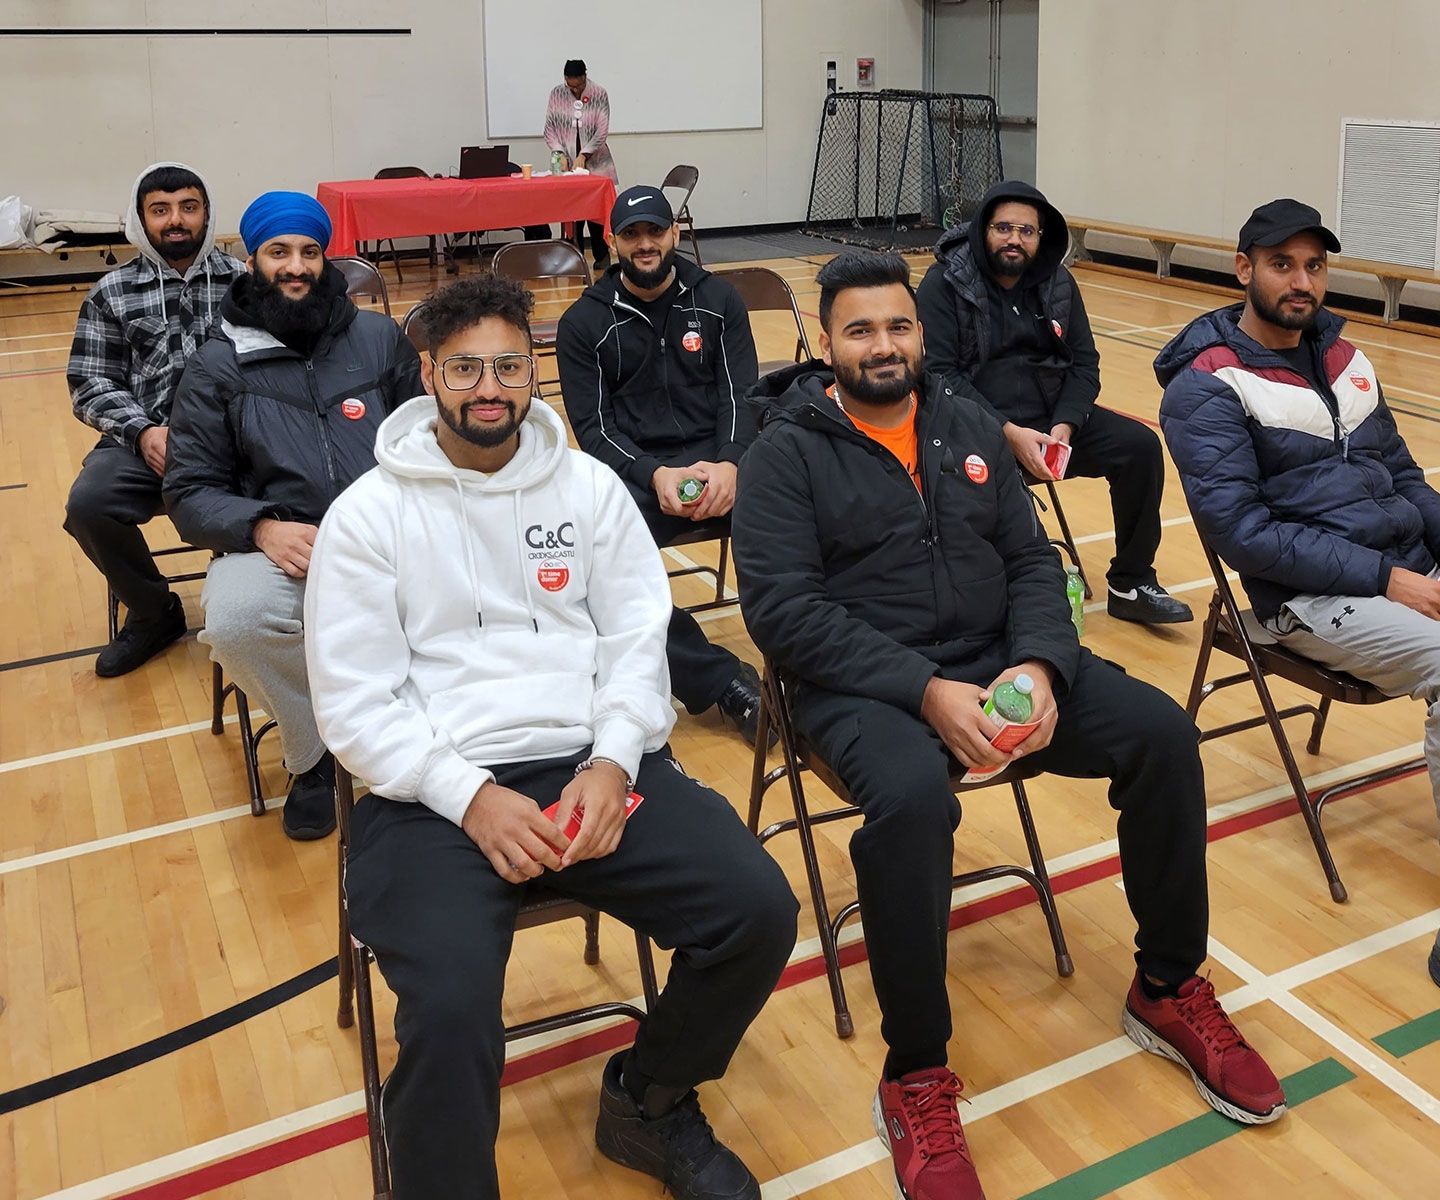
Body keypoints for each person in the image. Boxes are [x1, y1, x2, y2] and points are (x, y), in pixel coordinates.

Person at [734, 251, 1284, 1200]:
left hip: (1000, 660)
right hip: (861, 686)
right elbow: (784, 615)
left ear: (920, 332)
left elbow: (1034, 560)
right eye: (859, 329)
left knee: (1160, 734)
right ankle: (914, 1074)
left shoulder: (962, 417)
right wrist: (923, 691)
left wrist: (1037, 663)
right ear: (826, 344)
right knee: (912, 802)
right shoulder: (784, 452)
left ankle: (1165, 986)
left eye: (898, 326)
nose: (883, 345)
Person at [303, 275, 797, 1200]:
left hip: (592, 767)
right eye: (463, 369)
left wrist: (614, 760)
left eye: (508, 365)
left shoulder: (589, 487)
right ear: (427, 375)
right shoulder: (368, 515)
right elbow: (357, 705)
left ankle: (647, 1102)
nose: (488, 387)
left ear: (533, 371)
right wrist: (470, 797)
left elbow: (639, 643)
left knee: (758, 910)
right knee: (449, 1009)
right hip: (433, 797)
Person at [1156, 198, 1440, 994]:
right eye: (1282, 264)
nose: (1301, 280)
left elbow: (1408, 479)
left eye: (1314, 265)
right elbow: (1243, 535)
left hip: (1402, 568)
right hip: (1309, 599)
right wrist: (1390, 579)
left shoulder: (1347, 359)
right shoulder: (1206, 385)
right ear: (1244, 269)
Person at [164, 191, 424, 840]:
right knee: (238, 622)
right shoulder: (216, 364)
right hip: (280, 546)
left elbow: (423, 443)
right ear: (251, 260)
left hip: (386, 535)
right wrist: (260, 526)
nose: (297, 267)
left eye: (310, 251)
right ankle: (314, 755)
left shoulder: (377, 338)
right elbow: (190, 491)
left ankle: (426, 723)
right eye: (279, 252)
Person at [915, 181, 1192, 625]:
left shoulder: (1058, 282)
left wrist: (1067, 424)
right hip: (971, 426)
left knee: (1139, 447)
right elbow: (938, 376)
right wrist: (1006, 433)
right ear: (983, 230)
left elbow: (1084, 364)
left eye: (1027, 231)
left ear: (1040, 237)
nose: (1014, 239)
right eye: (1003, 227)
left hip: (1048, 423)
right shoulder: (944, 283)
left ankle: (1131, 581)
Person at [557, 186, 765, 743]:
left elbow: (742, 398)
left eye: (655, 231)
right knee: (598, 567)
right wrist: (656, 474)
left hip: (725, 466)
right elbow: (594, 429)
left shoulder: (718, 300)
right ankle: (725, 684)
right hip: (640, 476)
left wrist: (731, 464)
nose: (645, 244)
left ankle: (813, 670)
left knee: (805, 520)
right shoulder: (584, 323)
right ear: (612, 242)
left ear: (674, 233)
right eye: (631, 234)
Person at [64, 162, 245, 676]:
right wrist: (143, 432)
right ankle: (153, 612)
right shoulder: (110, 293)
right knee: (90, 505)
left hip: (232, 442)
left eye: (189, 207)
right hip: (142, 441)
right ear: (141, 219)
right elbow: (90, 382)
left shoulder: (245, 283)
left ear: (207, 214)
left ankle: (256, 609)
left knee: (287, 487)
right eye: (160, 210)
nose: (176, 221)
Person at [544, 58, 616, 270]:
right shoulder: (557, 94)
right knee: (571, 210)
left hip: (597, 162)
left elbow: (601, 130)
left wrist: (584, 154)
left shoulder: (599, 93)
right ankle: (572, 256)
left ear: (585, 77)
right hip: (566, 162)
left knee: (596, 210)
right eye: (570, 86)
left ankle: (601, 257)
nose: (574, 90)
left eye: (578, 85)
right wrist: (560, 153)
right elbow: (549, 129)